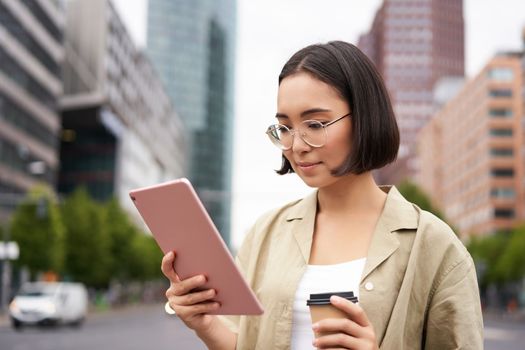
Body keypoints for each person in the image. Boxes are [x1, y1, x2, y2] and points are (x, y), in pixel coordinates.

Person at [161, 41, 483, 349]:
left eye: (315, 124)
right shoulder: (265, 233)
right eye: (284, 128)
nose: (296, 145)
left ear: (364, 119)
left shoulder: (435, 246)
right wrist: (205, 324)